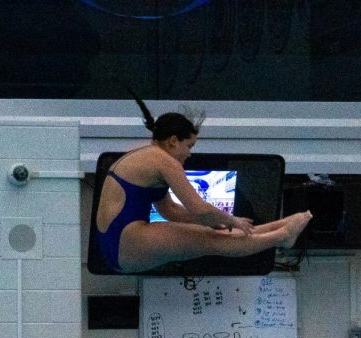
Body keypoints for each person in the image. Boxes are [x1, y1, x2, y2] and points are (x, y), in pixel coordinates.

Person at [94, 97, 311, 274]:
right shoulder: (165, 161)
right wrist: (231, 219)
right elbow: (199, 209)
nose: (189, 154)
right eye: (189, 146)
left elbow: (170, 211)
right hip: (125, 240)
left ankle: (279, 226)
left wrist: (219, 223)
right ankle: (281, 237)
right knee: (213, 241)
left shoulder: (144, 154)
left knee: (214, 233)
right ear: (173, 141)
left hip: (117, 242)